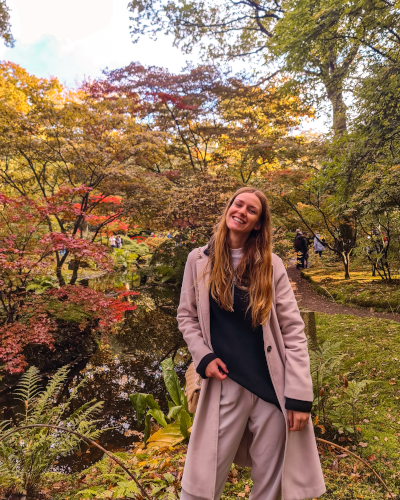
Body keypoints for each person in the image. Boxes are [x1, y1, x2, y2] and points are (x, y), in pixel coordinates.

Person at [177, 187, 325, 500]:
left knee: (272, 488)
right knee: (200, 485)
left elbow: (293, 330)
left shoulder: (271, 265)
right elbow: (187, 317)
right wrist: (203, 356)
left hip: (271, 388)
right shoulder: (198, 260)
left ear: (258, 223)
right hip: (224, 382)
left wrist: (299, 397)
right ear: (229, 209)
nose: (242, 211)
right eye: (238, 204)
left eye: (251, 210)